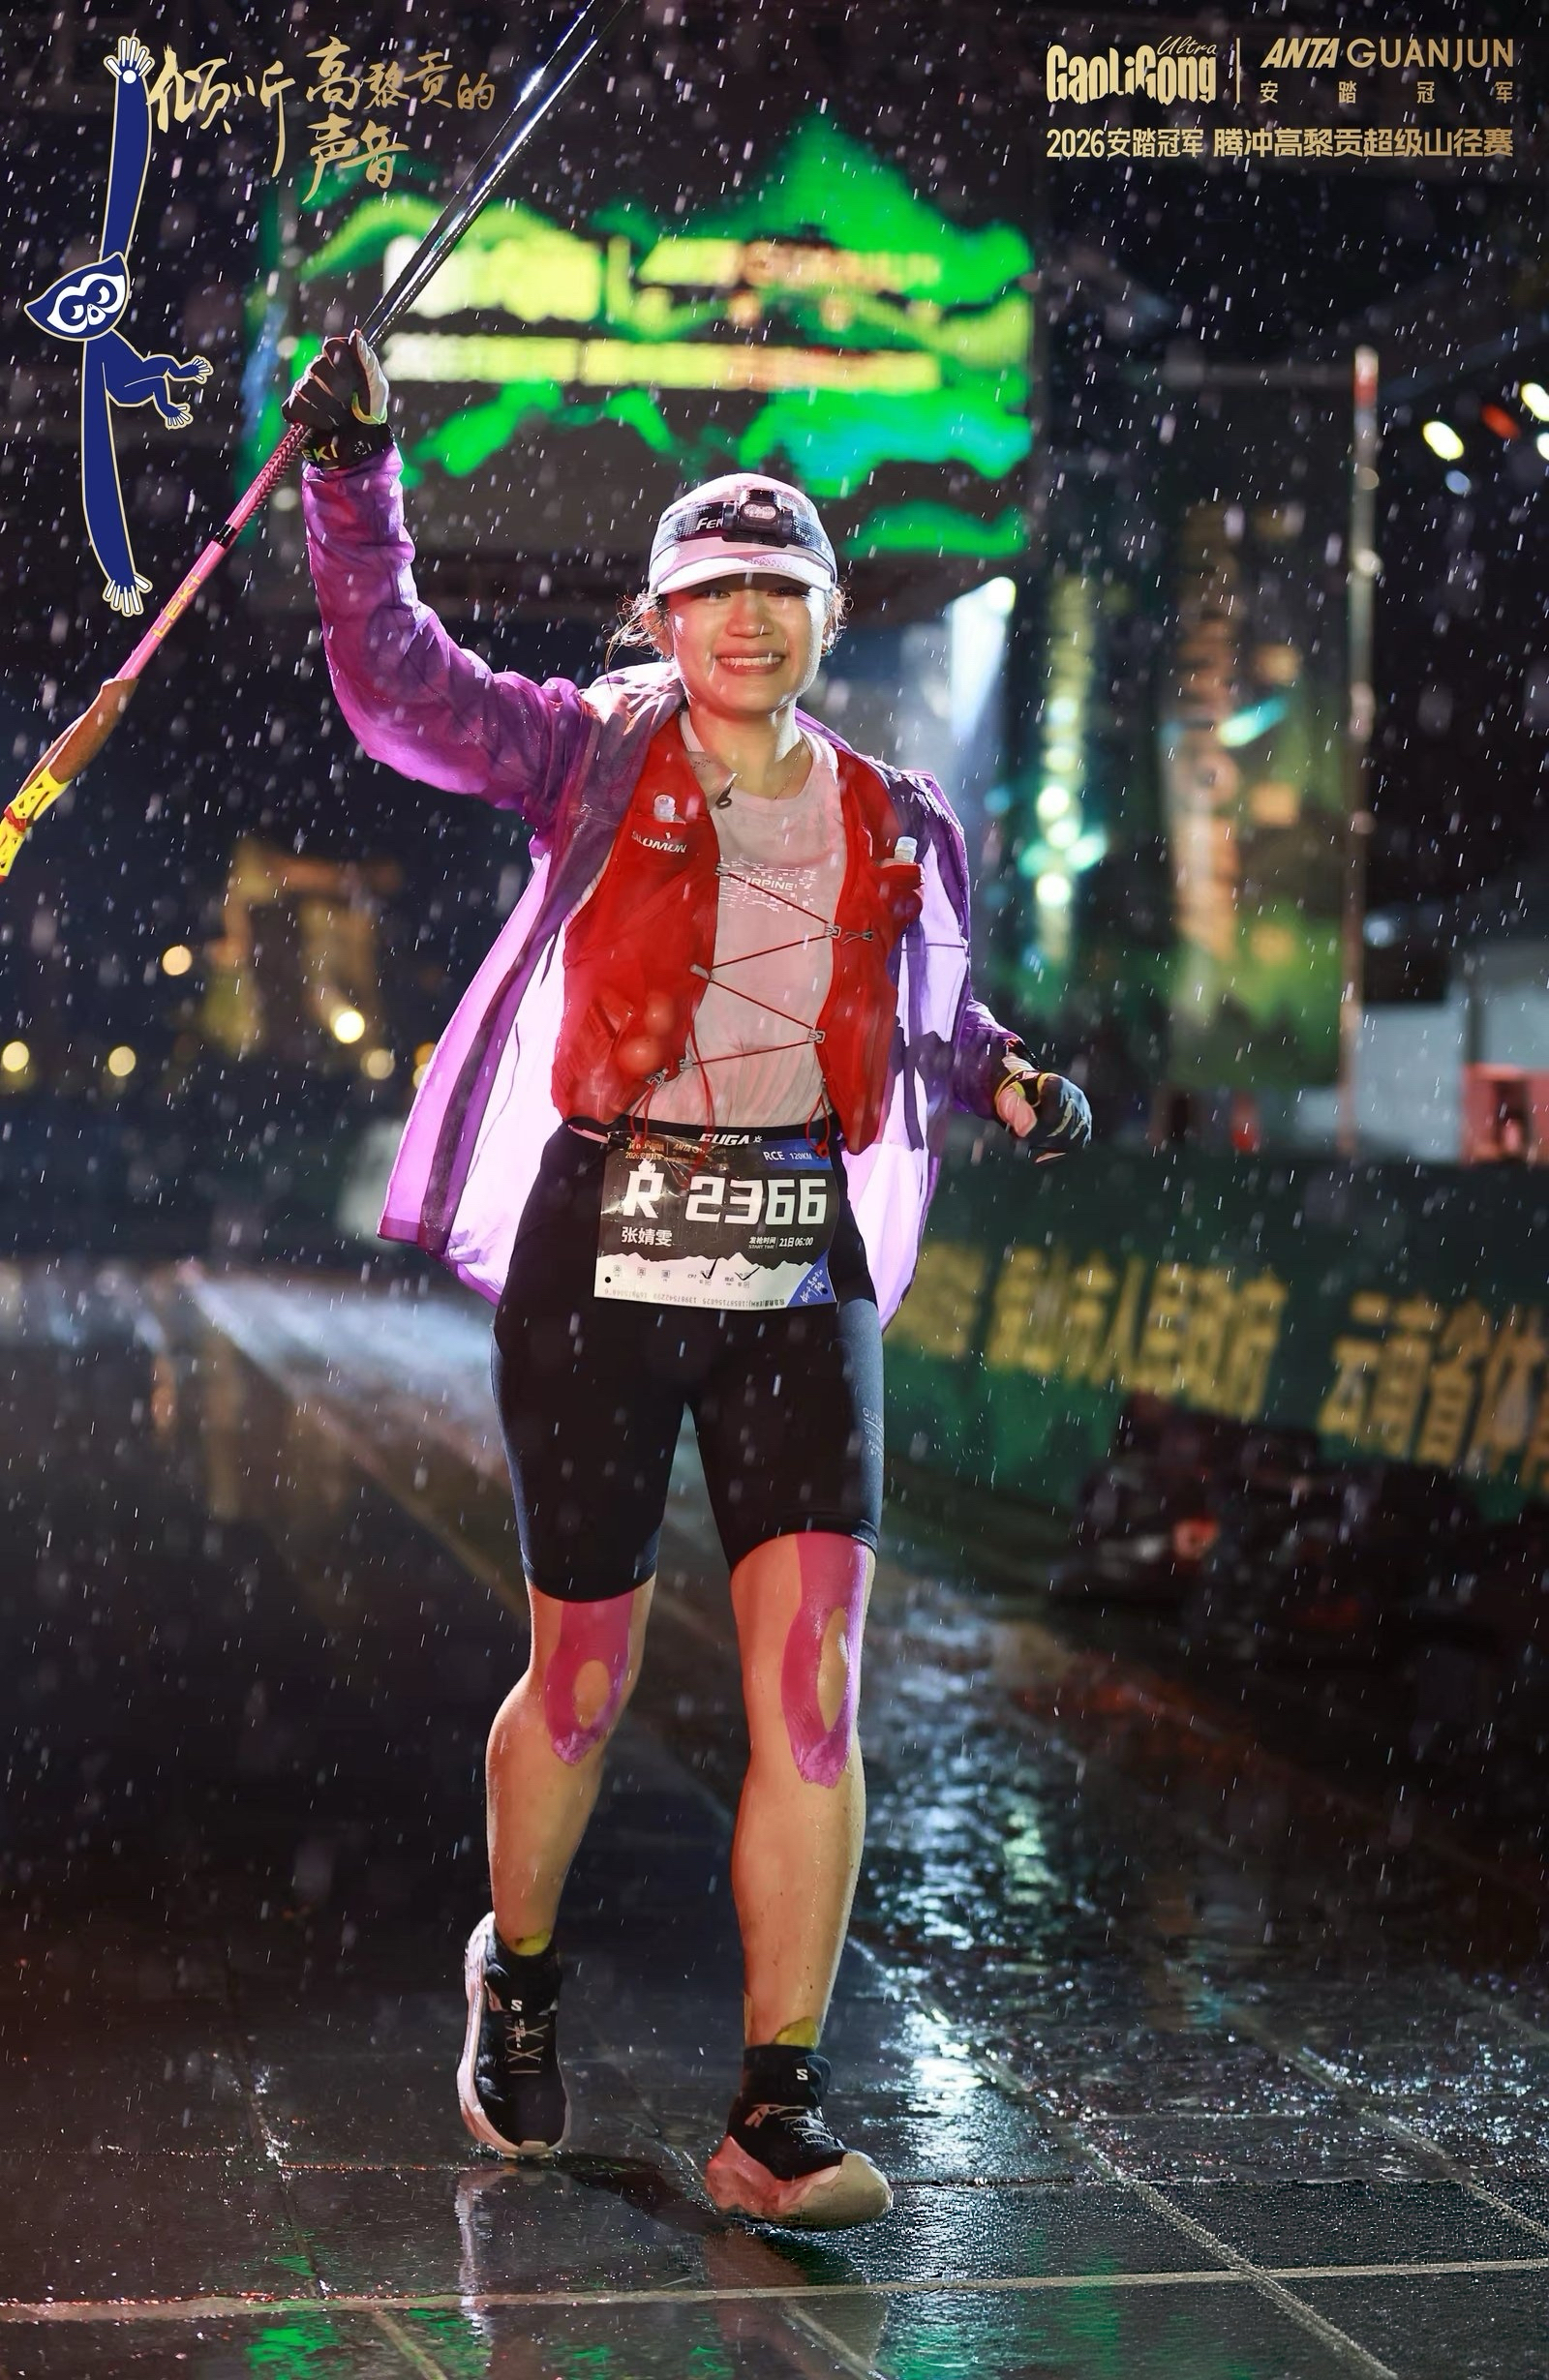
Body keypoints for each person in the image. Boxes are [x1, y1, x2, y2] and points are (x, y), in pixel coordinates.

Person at [284, 332, 1091, 2230]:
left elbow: (925, 1001)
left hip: (796, 1259)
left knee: (812, 1687)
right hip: (602, 1253)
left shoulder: (895, 814)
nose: (746, 617)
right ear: (659, 615)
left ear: (823, 619)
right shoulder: (585, 751)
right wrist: (354, 479)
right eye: (712, 589)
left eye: (779, 590)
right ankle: (519, 1973)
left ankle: (775, 2112)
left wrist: (1002, 1075)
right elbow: (395, 682)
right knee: (583, 1672)